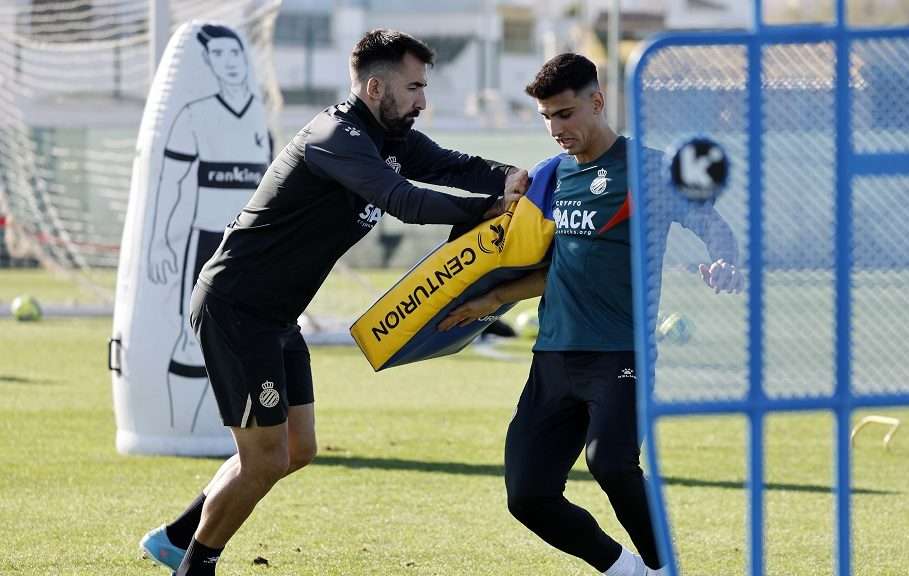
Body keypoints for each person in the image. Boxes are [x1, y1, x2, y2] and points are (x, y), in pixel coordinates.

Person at [139, 29, 527, 576]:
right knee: (266, 458)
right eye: (415, 87)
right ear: (375, 86)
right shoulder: (335, 135)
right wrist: (489, 207)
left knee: (297, 449)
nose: (423, 101)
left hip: (276, 315)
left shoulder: (391, 137)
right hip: (237, 308)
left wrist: (510, 178)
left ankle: (176, 536)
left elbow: (448, 164)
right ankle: (195, 564)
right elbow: (404, 201)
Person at [440, 53, 743, 576]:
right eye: (547, 118)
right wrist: (491, 301)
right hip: (554, 356)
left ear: (597, 101)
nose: (556, 129)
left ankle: (664, 567)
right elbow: (557, 265)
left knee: (611, 463)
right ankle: (627, 571)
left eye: (565, 113)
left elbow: (712, 224)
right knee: (528, 495)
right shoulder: (553, 178)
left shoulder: (649, 170)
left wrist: (725, 260)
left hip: (620, 353)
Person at [146, 24, 274, 433]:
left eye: (234, 53)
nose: (230, 62)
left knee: (248, 338)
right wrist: (164, 243)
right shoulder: (193, 115)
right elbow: (170, 183)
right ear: (208, 62)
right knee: (190, 338)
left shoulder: (258, 118)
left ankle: (236, 435)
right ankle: (175, 430)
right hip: (205, 242)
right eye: (218, 55)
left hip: (251, 247)